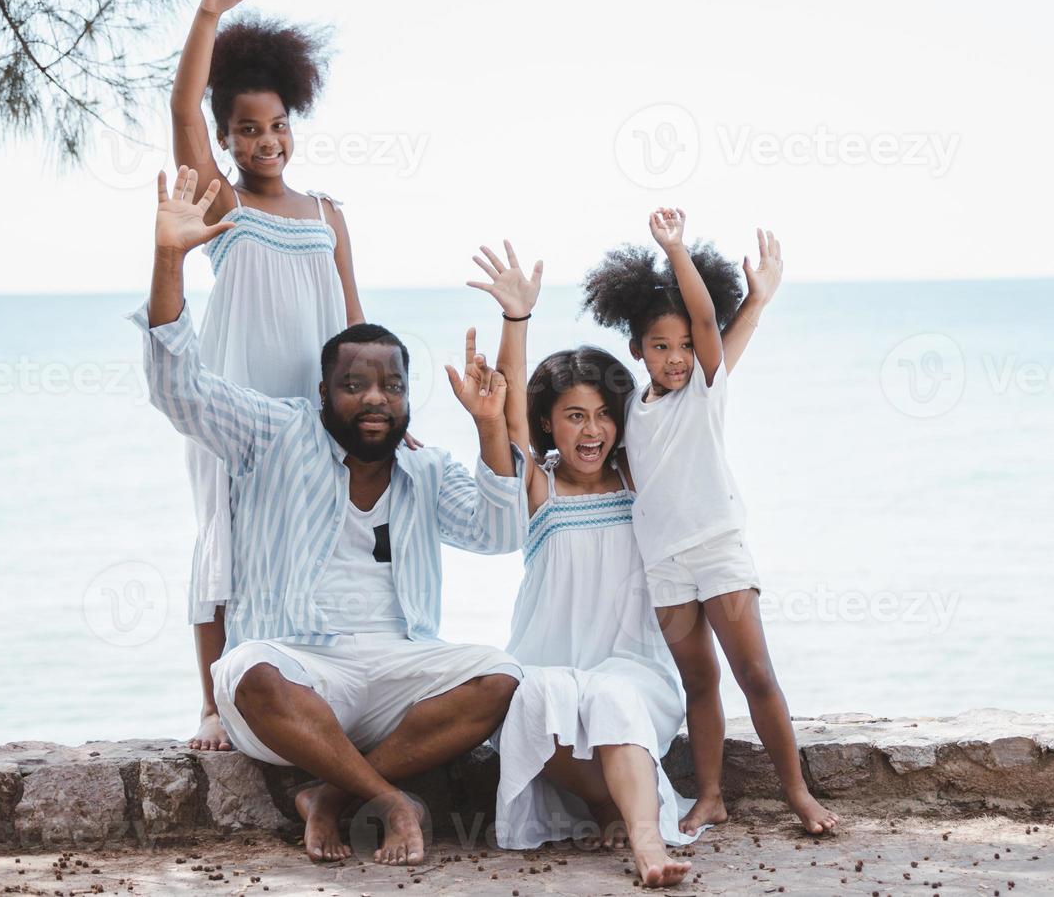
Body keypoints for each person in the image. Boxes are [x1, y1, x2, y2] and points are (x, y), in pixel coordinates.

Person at [133, 167, 526, 866]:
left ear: (408, 398)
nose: (375, 398)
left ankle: (333, 795)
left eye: (391, 385)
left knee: (500, 678)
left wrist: (492, 431)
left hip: (396, 670)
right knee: (245, 671)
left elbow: (500, 533)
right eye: (355, 384)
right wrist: (170, 261)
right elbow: (178, 387)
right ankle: (393, 799)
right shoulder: (274, 434)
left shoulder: (424, 468)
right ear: (322, 393)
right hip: (296, 669)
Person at [466, 236, 780, 886]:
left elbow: (706, 367)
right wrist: (515, 320)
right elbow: (509, 428)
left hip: (633, 672)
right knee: (534, 699)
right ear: (550, 423)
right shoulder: (540, 487)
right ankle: (608, 802)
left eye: (604, 416)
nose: (591, 431)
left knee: (611, 695)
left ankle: (646, 847)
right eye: (573, 416)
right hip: (551, 665)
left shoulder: (640, 480)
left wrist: (755, 301)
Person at [170, 0, 397, 752]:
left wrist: (385, 409)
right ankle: (211, 704)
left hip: (317, 409)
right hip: (236, 404)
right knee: (224, 544)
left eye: (277, 126)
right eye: (247, 129)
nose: (267, 142)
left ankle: (309, 699)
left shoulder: (329, 212)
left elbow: (360, 328)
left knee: (319, 547)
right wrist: (207, 15)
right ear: (228, 137)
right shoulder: (224, 206)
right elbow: (181, 111)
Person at [582, 210, 838, 835]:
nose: (676, 357)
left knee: (755, 675)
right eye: (660, 346)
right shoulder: (630, 412)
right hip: (663, 562)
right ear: (636, 348)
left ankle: (797, 794)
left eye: (687, 346)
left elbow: (706, 322)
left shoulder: (704, 386)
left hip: (717, 550)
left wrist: (676, 252)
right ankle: (713, 796)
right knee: (700, 681)